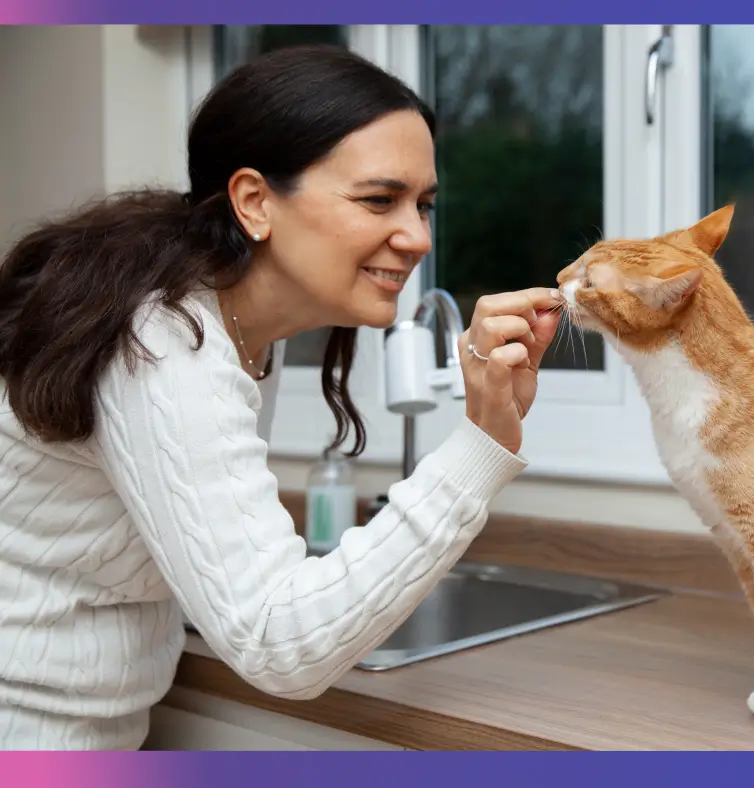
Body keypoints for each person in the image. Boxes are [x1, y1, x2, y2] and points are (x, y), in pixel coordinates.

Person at [0, 45, 562, 750]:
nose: (418, 237)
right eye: (379, 199)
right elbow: (278, 646)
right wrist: (482, 442)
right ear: (255, 202)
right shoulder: (166, 343)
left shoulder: (238, 327)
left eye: (424, 205)